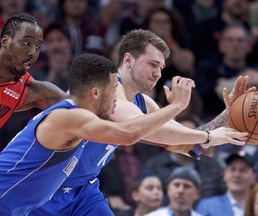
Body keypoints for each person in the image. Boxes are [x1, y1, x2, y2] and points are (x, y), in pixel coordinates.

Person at [31, 29, 250, 216]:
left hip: (83, 189)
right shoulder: (107, 90)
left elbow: (184, 141)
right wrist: (180, 110)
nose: (157, 74)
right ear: (128, 60)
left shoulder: (142, 102)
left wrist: (227, 116)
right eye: (153, 64)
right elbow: (155, 133)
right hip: (47, 185)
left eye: (161, 68)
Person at [0, 53, 197, 215]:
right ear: (96, 92)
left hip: (58, 196)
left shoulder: (83, 118)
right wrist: (176, 106)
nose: (116, 99)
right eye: (112, 91)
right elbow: (129, 133)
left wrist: (221, 126)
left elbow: (168, 139)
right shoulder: (70, 117)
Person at [0, 13, 67, 153]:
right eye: (26, 43)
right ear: (5, 42)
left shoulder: (29, 90)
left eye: (38, 47)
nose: (32, 52)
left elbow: (80, 114)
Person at [195, 150, 256, 216]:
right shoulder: (207, 206)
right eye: (232, 169)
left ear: (254, 177)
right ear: (224, 175)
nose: (237, 175)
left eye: (243, 170)